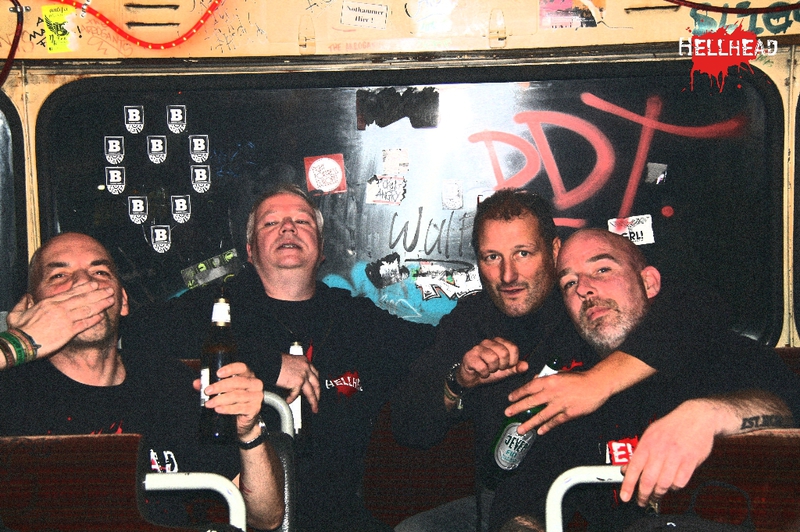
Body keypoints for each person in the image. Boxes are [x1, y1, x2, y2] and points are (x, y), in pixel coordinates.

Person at [391, 190, 799, 531]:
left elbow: (700, 307)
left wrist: (603, 383)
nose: (508, 275)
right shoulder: (473, 322)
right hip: (517, 497)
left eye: (523, 253)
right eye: (491, 257)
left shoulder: (614, 327)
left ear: (552, 251)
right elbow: (413, 428)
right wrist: (457, 382)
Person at [123, 183, 436, 532]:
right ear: (250, 250)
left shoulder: (352, 317)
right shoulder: (219, 305)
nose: (288, 228)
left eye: (302, 221)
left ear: (321, 249)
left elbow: (433, 346)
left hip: (342, 517)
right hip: (237, 518)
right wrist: (270, 364)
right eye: (271, 223)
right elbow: (137, 333)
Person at [485, 228, 799, 530]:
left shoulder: (714, 350)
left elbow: (788, 409)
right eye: (569, 283)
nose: (584, 288)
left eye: (602, 270)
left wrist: (711, 414)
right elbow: (522, 496)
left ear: (648, 283)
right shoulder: (568, 388)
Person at [0, 232, 285, 530]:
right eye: (60, 275)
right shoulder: (11, 393)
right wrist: (18, 343)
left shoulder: (172, 384)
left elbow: (266, 517)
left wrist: (249, 431)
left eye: (100, 273)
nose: (84, 284)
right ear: (31, 308)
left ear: (122, 301)